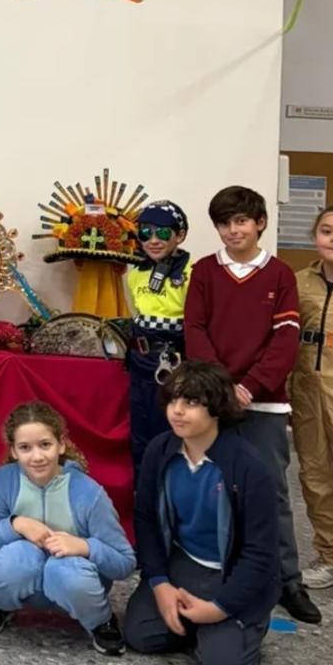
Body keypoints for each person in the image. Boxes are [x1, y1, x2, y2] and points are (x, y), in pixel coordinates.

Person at [184, 185, 320, 624]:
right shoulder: (205, 271)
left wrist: (252, 387)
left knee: (271, 493)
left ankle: (287, 582)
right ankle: (219, 571)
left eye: (241, 221)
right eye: (224, 223)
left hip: (264, 405)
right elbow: (196, 329)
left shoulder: (280, 274)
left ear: (260, 222)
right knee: (211, 488)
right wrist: (223, 388)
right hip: (214, 401)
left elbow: (285, 340)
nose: (233, 230)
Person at [124, 361, 280, 665]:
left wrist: (219, 608)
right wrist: (160, 584)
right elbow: (147, 521)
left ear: (217, 408)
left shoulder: (248, 465)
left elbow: (260, 553)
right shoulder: (161, 450)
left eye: (191, 402)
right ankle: (197, 625)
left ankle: (239, 624)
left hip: (229, 571)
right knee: (139, 634)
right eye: (173, 400)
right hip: (184, 562)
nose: (177, 411)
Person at [0, 402, 134, 656]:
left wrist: (85, 546)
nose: (37, 457)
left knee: (63, 568)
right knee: (16, 557)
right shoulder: (4, 480)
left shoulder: (89, 493)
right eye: (25, 447)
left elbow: (125, 563)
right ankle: (0, 605)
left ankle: (100, 621)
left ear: (61, 444)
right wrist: (15, 524)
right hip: (25, 582)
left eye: (45, 445)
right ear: (13, 451)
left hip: (76, 585)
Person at [292, 202, 333, 598]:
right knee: (315, 476)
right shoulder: (299, 282)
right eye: (328, 231)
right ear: (315, 235)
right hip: (306, 391)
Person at [124, 199, 193, 480]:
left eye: (163, 233)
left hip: (175, 365)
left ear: (180, 234)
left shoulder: (193, 273)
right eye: (145, 233)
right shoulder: (134, 274)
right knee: (141, 436)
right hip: (141, 363)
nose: (153, 240)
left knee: (173, 434)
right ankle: (146, 503)